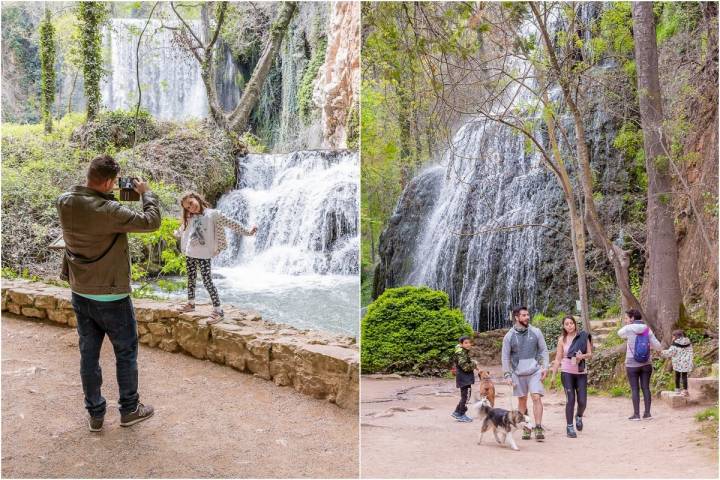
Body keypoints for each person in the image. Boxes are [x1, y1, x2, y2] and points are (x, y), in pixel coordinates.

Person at [57, 155, 161, 432]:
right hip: (113, 296)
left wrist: (109, 193)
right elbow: (151, 221)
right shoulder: (110, 211)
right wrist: (145, 194)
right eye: (113, 183)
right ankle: (129, 409)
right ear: (107, 182)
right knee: (125, 353)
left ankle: (95, 414)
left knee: (88, 355)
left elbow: (91, 204)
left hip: (80, 291)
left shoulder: (65, 201)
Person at [175, 191, 257, 323]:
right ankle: (191, 303)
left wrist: (248, 232)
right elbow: (182, 229)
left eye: (191, 203)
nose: (191, 208)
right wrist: (175, 233)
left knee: (207, 281)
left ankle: (218, 310)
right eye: (188, 207)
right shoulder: (190, 217)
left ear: (196, 198)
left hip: (204, 255)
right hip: (190, 253)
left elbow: (231, 223)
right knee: (191, 279)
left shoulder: (213, 214)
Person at [501, 306, 549, 441]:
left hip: (534, 371)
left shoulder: (536, 332)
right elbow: (505, 357)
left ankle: (538, 427)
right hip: (517, 373)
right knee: (522, 401)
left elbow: (543, 351)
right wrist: (507, 375)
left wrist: (545, 367)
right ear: (516, 317)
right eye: (524, 315)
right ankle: (526, 427)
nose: (527, 317)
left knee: (536, 397)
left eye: (528, 315)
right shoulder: (509, 336)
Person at [551, 316, 592, 438]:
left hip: (580, 372)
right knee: (570, 400)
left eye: (571, 323)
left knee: (582, 402)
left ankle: (578, 416)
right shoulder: (561, 340)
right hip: (566, 372)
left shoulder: (583, 337)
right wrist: (553, 375)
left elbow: (590, 354)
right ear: (564, 326)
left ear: (575, 324)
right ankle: (569, 427)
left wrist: (582, 356)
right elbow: (558, 358)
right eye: (567, 324)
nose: (569, 326)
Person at [618, 309, 662, 420]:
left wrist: (628, 328)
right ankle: (647, 414)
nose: (626, 320)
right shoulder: (647, 329)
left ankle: (636, 415)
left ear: (632, 318)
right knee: (646, 388)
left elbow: (619, 334)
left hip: (632, 364)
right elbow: (657, 345)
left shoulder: (628, 328)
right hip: (646, 363)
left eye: (627, 318)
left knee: (634, 389)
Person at [451, 336, 476, 422]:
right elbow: (465, 367)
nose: (468, 344)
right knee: (466, 397)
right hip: (464, 378)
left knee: (464, 397)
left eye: (469, 342)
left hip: (464, 378)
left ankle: (457, 412)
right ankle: (461, 414)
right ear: (461, 344)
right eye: (466, 343)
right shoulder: (461, 354)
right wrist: (474, 364)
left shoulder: (463, 352)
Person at [661, 329, 694, 396]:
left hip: (678, 363)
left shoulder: (675, 344)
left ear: (676, 336)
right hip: (686, 362)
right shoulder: (688, 342)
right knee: (684, 376)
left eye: (673, 336)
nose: (672, 338)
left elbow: (670, 353)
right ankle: (685, 390)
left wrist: (661, 352)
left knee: (677, 376)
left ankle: (677, 389)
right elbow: (690, 351)